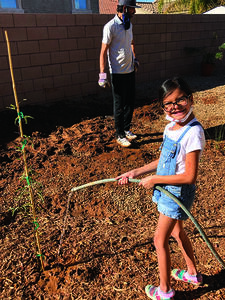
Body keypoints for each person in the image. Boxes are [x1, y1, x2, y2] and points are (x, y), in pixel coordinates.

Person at [116, 77, 205, 299]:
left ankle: (164, 290)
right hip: (167, 190)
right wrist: (136, 172)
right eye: (168, 103)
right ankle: (192, 273)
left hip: (176, 193)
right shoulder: (169, 128)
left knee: (159, 239)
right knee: (177, 231)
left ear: (190, 98)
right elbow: (165, 160)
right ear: (163, 106)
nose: (174, 107)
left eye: (180, 100)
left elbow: (190, 177)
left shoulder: (193, 132)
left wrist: (155, 180)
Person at [98, 0, 141, 148]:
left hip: (129, 70)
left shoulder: (129, 26)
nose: (134, 12)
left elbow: (132, 42)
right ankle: (119, 135)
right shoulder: (110, 27)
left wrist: (134, 59)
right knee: (119, 105)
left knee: (130, 102)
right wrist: (102, 75)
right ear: (124, 8)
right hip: (117, 73)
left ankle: (127, 129)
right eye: (132, 9)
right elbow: (103, 51)